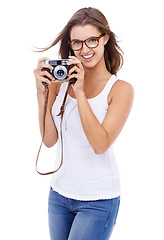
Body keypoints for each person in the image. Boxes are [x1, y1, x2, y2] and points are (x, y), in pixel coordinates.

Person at [34, 7, 134, 240]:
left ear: (105, 38)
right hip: (59, 195)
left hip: (98, 201)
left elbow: (100, 145)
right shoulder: (60, 83)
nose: (84, 50)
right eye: (77, 43)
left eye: (92, 40)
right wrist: (41, 95)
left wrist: (79, 92)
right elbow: (49, 141)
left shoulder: (120, 90)